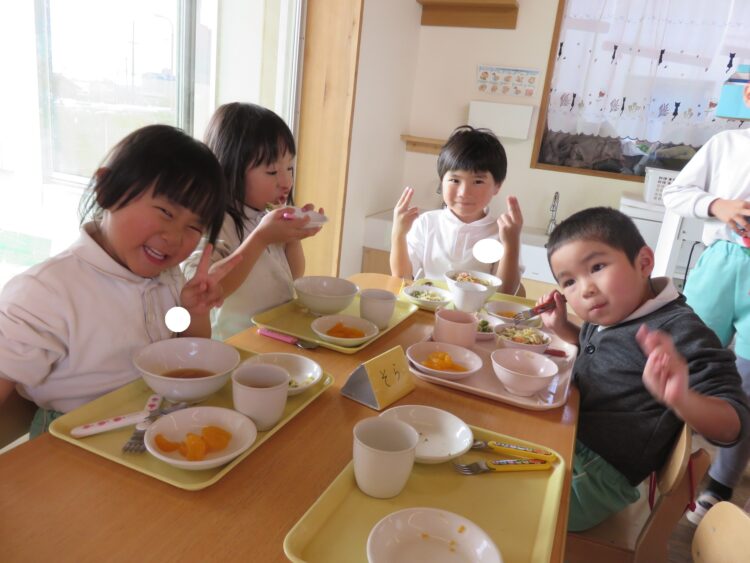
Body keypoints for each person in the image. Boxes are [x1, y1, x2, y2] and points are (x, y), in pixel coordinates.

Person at [0, 124, 238, 436]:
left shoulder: (168, 275)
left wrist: (194, 312)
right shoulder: (45, 292)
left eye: (195, 227)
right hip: (74, 438)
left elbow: (185, 347)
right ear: (106, 189)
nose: (175, 237)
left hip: (154, 421)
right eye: (165, 212)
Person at [538, 206, 750, 531]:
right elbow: (603, 357)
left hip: (590, 480)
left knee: (494, 496)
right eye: (569, 282)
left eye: (597, 267)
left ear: (644, 262)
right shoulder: (613, 312)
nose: (585, 289)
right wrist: (563, 328)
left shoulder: (681, 331)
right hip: (569, 441)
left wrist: (682, 399)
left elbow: (734, 425)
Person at [661, 82, 750, 524]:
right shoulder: (726, 144)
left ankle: (720, 484)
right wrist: (718, 205)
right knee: (684, 361)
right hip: (719, 265)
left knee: (747, 386)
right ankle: (660, 455)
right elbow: (675, 194)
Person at [185, 102, 323, 340]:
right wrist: (261, 238)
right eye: (272, 172)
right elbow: (209, 287)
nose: (286, 182)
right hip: (234, 346)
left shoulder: (266, 214)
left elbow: (293, 275)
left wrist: (293, 237)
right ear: (231, 169)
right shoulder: (216, 221)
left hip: (275, 335)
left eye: (290, 168)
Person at [389, 125, 524, 295]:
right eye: (454, 180)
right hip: (427, 307)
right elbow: (402, 278)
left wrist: (511, 244)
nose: (464, 192)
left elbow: (505, 293)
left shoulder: (501, 233)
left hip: (477, 312)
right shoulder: (427, 223)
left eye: (478, 182)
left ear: (497, 186)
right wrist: (398, 234)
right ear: (442, 181)